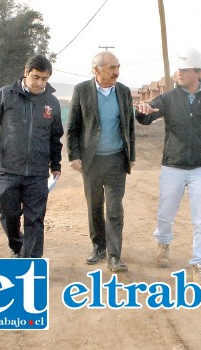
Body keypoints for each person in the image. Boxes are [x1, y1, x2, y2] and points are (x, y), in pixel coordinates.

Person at [135, 48, 201, 285]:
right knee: (165, 213)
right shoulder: (169, 98)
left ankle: (200, 263)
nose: (178, 74)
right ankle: (163, 243)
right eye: (178, 69)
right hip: (173, 167)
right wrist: (142, 110)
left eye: (184, 70)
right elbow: (146, 117)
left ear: (197, 72)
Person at [0, 55, 64, 258]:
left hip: (37, 172)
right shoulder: (5, 95)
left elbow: (55, 136)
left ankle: (31, 263)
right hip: (8, 170)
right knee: (8, 215)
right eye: (36, 77)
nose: (40, 83)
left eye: (45, 79)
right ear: (26, 73)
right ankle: (18, 246)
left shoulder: (51, 103)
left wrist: (56, 164)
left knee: (35, 219)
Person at [67, 51, 135, 273]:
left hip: (116, 160)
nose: (116, 72)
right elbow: (73, 127)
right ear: (97, 69)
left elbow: (129, 126)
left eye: (118, 67)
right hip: (92, 161)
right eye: (112, 68)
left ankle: (115, 255)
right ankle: (99, 247)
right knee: (94, 206)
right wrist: (74, 155)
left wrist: (130, 155)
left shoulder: (124, 92)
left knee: (115, 209)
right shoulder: (82, 90)